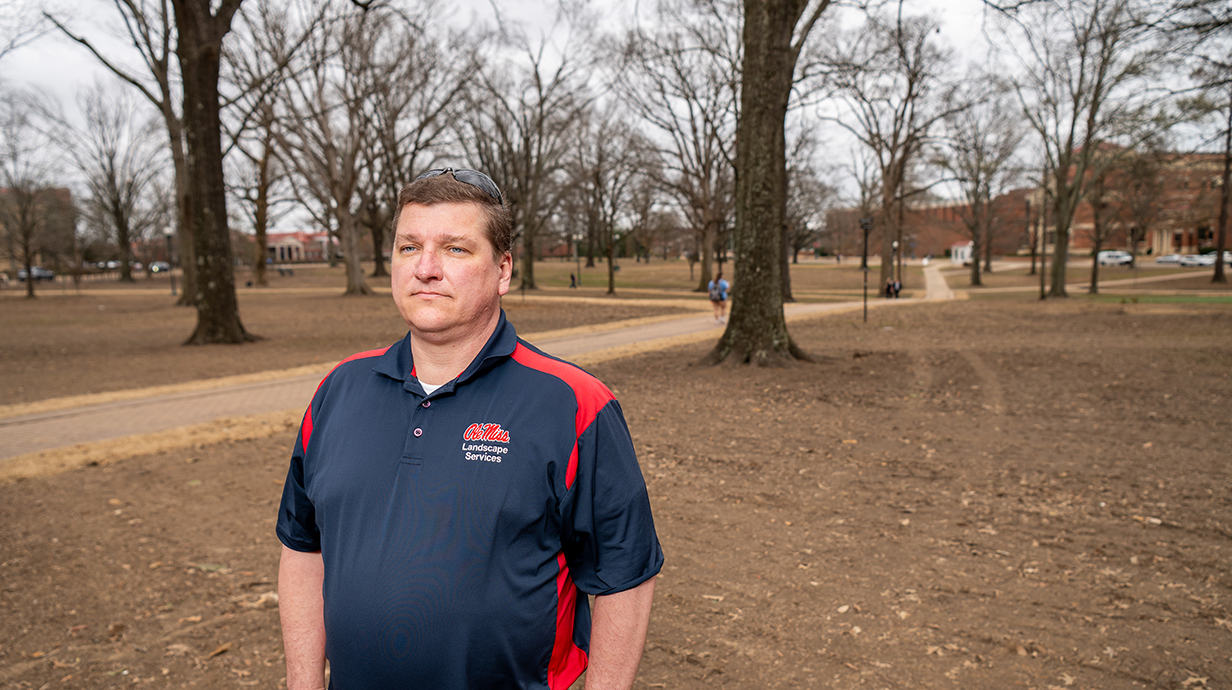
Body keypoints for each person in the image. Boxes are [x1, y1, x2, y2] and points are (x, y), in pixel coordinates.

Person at [277, 168, 663, 690]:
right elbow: (304, 545)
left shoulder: (575, 404)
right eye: (409, 247)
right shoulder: (338, 390)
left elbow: (625, 577)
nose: (426, 269)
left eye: (455, 249)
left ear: (503, 270)